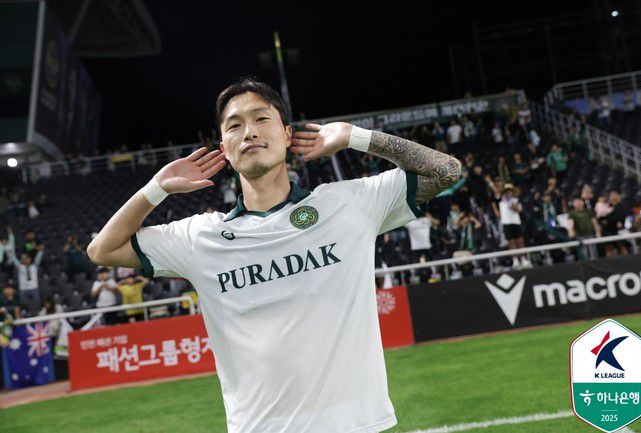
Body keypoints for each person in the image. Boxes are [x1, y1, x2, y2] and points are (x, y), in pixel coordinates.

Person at [87, 78, 461, 433]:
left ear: (287, 135)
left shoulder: (347, 204)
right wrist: (157, 188)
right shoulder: (201, 237)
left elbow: (446, 171)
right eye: (234, 126)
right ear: (224, 150)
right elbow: (103, 249)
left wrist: (354, 136)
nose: (249, 132)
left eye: (261, 119)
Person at [499, 184, 531, 269]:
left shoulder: (516, 200)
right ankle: (515, 261)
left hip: (516, 223)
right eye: (507, 191)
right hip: (507, 224)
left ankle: (523, 259)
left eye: (510, 191)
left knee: (520, 241)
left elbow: (518, 210)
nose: (509, 192)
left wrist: (514, 206)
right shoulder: (501, 200)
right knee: (511, 243)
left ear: (512, 192)